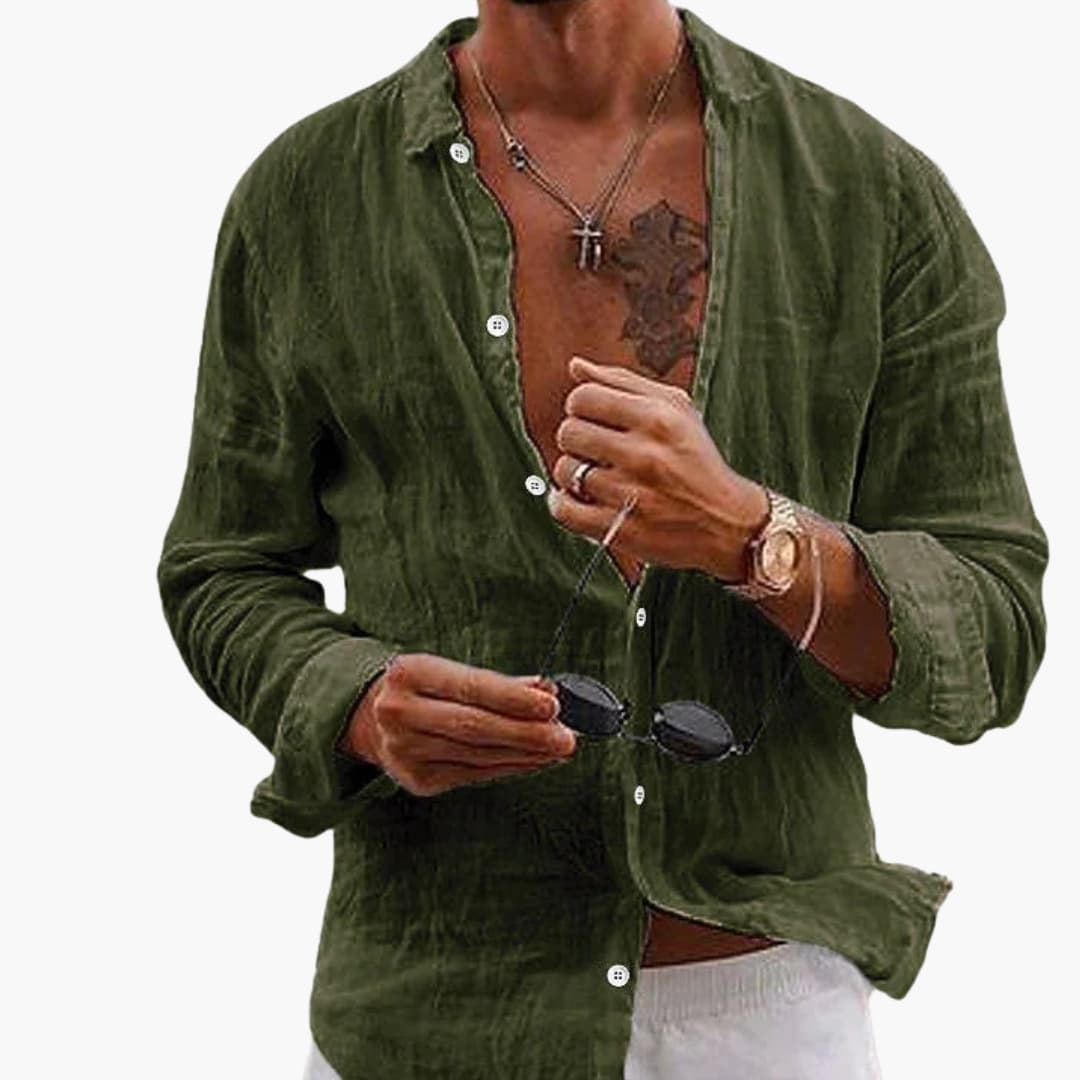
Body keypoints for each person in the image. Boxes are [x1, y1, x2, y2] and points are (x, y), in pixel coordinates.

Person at [156, 2, 1049, 1077]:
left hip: (762, 1016)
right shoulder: (307, 196)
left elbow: (993, 632)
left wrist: (753, 537)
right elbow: (222, 566)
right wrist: (351, 699)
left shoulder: (870, 192)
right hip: (429, 1011)